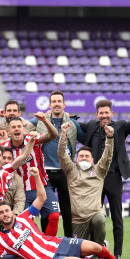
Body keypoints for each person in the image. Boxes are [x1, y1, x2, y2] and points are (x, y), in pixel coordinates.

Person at [0, 168, 130, 259]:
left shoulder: (24, 217)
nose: (5, 214)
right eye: (1, 213)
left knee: (96, 248)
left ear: (11, 211)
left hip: (58, 243)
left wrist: (37, 177)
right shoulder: (1, 240)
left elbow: (41, 198)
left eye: (7, 210)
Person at [77, 91, 130, 259]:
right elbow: (75, 125)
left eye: (106, 112)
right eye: (101, 113)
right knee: (91, 217)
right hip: (95, 179)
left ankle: (117, 254)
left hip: (113, 177)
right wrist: (67, 117)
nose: (104, 115)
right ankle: (92, 252)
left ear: (111, 113)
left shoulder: (120, 126)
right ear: (97, 115)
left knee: (117, 218)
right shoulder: (91, 126)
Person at [26, 91, 82, 238]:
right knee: (47, 210)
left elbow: (86, 137)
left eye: (59, 101)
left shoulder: (73, 123)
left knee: (67, 210)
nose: (57, 104)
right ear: (49, 105)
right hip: (46, 172)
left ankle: (70, 241)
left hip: (65, 172)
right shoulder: (38, 122)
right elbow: (21, 126)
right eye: (54, 101)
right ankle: (45, 241)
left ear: (64, 104)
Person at [2, 113, 60, 235]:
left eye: (19, 126)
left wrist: (45, 120)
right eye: (13, 127)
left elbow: (54, 135)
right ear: (8, 131)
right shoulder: (3, 148)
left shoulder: (33, 139)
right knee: (23, 224)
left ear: (24, 129)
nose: (16, 129)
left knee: (54, 216)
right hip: (21, 192)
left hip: (42, 186)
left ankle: (49, 247)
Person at [59, 123, 114, 245]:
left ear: (92, 160)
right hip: (76, 220)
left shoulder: (99, 170)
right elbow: (62, 155)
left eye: (87, 156)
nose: (84, 158)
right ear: (76, 159)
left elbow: (107, 156)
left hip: (94, 215)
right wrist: (63, 135)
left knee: (99, 219)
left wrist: (109, 138)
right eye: (81, 156)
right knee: (78, 253)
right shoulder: (71, 171)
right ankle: (96, 244)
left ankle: (99, 249)